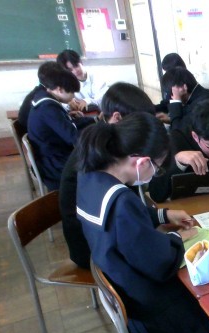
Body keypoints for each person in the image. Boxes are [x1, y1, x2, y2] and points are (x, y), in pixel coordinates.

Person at [75, 112, 209, 333]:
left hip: (128, 294)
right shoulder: (123, 202)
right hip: (151, 316)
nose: (155, 174)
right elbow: (159, 263)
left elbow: (126, 225)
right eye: (158, 168)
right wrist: (180, 239)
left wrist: (163, 215)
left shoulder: (91, 177)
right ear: (141, 163)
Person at [59, 82, 158, 269]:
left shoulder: (103, 142)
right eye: (139, 126)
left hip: (107, 236)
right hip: (93, 251)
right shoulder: (98, 157)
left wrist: (162, 215)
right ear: (117, 118)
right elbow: (124, 217)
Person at [27, 62, 96, 191]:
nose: (74, 96)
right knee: (98, 165)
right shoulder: (48, 108)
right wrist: (97, 131)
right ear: (59, 89)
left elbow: (65, 125)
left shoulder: (44, 98)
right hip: (53, 165)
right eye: (72, 92)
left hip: (52, 156)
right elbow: (73, 137)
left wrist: (92, 121)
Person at [162, 66, 209, 132]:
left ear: (183, 88)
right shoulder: (200, 95)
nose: (171, 97)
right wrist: (171, 119)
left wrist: (176, 101)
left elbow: (177, 133)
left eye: (172, 93)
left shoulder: (201, 104)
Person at [155, 53, 187, 121]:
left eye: (168, 71)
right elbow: (166, 103)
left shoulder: (184, 85)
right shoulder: (171, 83)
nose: (166, 74)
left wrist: (170, 119)